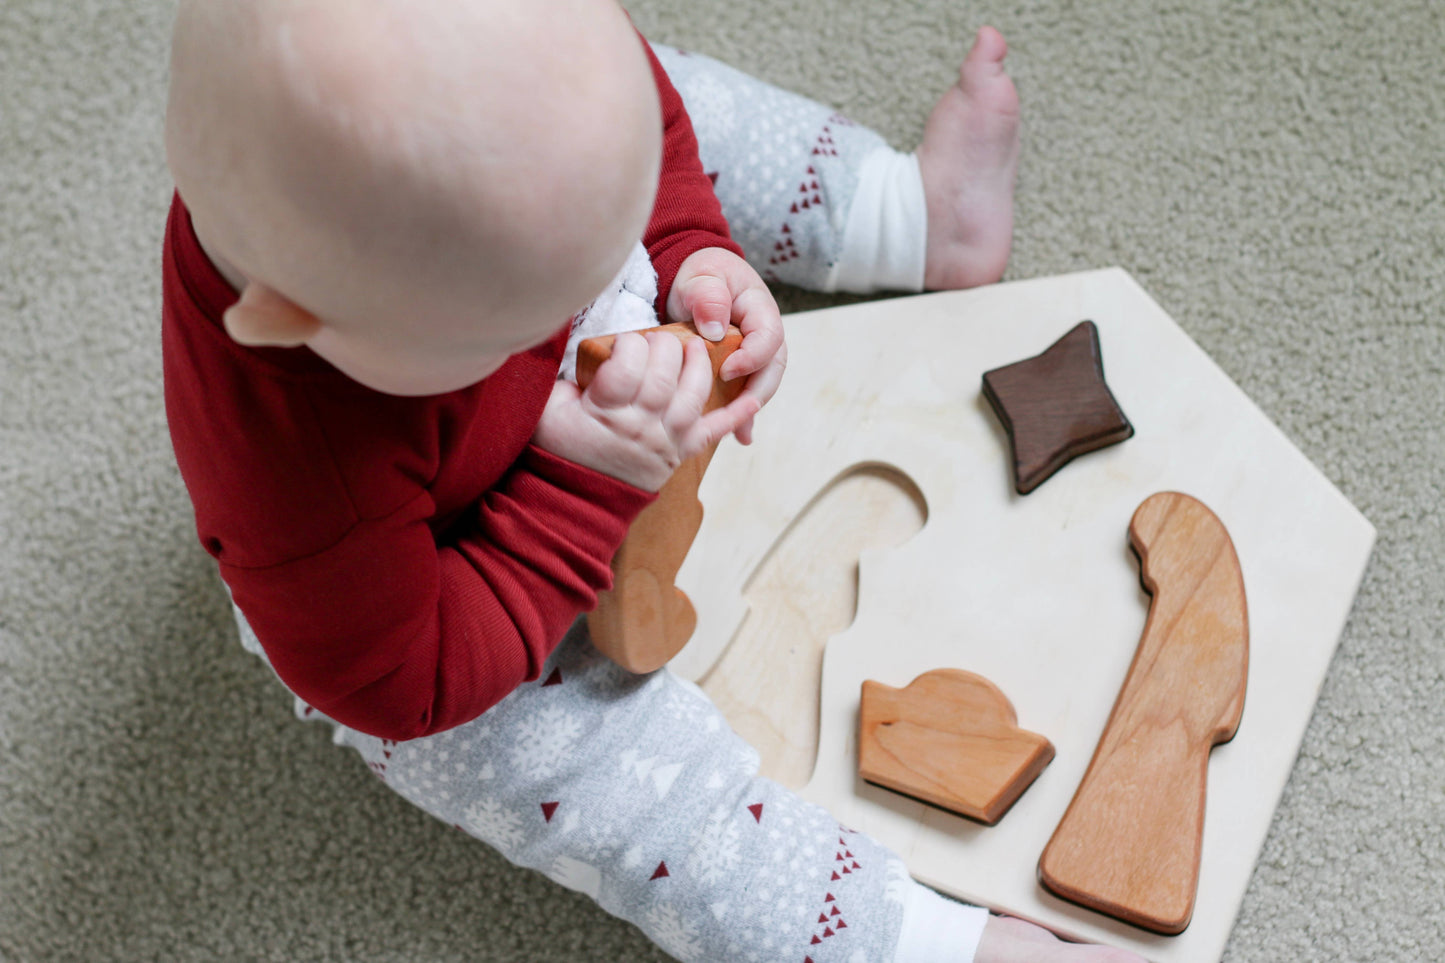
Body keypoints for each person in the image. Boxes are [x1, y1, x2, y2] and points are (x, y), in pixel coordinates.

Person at [161, 1, 1140, 961]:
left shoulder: (527, 94)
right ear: (292, 320)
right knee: (598, 783)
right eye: (515, 334)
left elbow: (650, 122)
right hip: (460, 588)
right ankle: (917, 944)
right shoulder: (301, 477)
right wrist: (584, 481)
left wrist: (684, 245)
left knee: (644, 110)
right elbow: (404, 682)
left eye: (599, 263)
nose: (574, 326)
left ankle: (904, 215)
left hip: (524, 213)